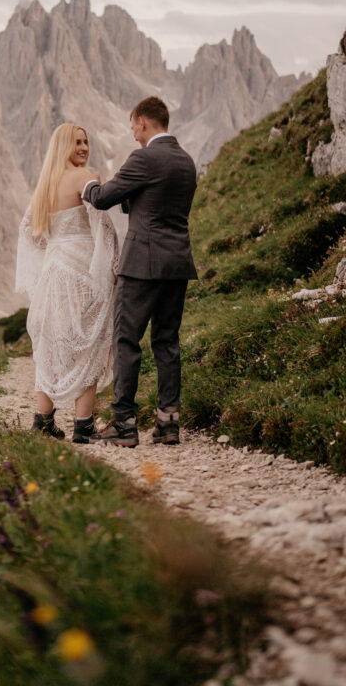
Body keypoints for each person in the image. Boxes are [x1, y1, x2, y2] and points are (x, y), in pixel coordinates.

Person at [82, 96, 197, 447]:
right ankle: (168, 422)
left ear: (144, 122)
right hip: (177, 264)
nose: (132, 133)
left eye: (133, 126)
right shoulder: (186, 162)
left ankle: (124, 423)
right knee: (167, 341)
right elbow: (155, 202)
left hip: (142, 265)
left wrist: (86, 183)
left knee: (126, 339)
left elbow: (103, 197)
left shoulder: (144, 157)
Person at [16, 123, 119, 444]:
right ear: (63, 146)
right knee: (88, 343)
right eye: (77, 142)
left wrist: (55, 248)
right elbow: (103, 223)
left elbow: (28, 231)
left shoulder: (45, 184)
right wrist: (114, 264)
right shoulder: (84, 176)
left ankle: (43, 421)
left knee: (51, 346)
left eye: (86, 141)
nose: (84, 147)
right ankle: (83, 425)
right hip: (83, 270)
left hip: (54, 271)